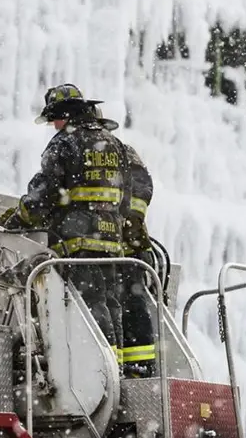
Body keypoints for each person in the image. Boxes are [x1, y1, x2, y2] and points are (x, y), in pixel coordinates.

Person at [0, 84, 129, 364]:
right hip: (112, 241)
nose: (54, 125)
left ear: (65, 115)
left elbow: (43, 194)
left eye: (54, 118)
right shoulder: (114, 144)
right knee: (110, 303)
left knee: (85, 305)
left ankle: (95, 367)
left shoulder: (64, 143)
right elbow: (126, 198)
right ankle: (115, 365)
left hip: (78, 240)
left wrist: (17, 220)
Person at [95, 107, 157, 379]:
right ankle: (119, 366)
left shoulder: (121, 151)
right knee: (116, 305)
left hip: (124, 248)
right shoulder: (90, 156)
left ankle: (138, 369)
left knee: (130, 304)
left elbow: (142, 188)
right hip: (107, 247)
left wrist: (129, 220)